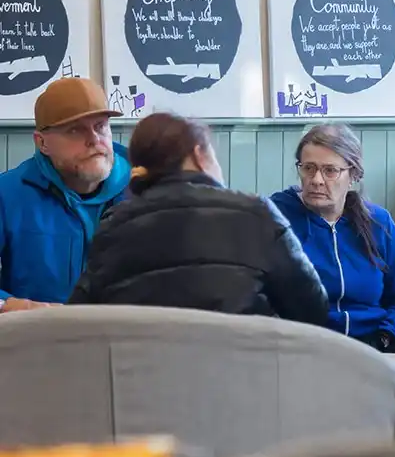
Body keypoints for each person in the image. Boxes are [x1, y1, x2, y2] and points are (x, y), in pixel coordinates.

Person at [68, 112, 329, 326]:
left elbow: (80, 317)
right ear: (198, 154)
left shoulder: (114, 226)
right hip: (243, 381)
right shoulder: (256, 214)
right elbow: (312, 310)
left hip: (144, 383)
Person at [270, 123, 395, 356]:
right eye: (308, 168)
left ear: (353, 175)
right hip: (305, 349)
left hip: (373, 345)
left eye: (330, 170)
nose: (316, 179)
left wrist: (383, 337)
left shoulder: (377, 222)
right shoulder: (277, 218)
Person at [0, 77, 130, 310]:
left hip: (126, 338)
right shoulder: (7, 194)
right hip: (37, 338)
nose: (94, 140)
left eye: (100, 126)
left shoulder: (146, 189)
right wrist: (6, 304)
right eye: (75, 131)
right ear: (42, 144)